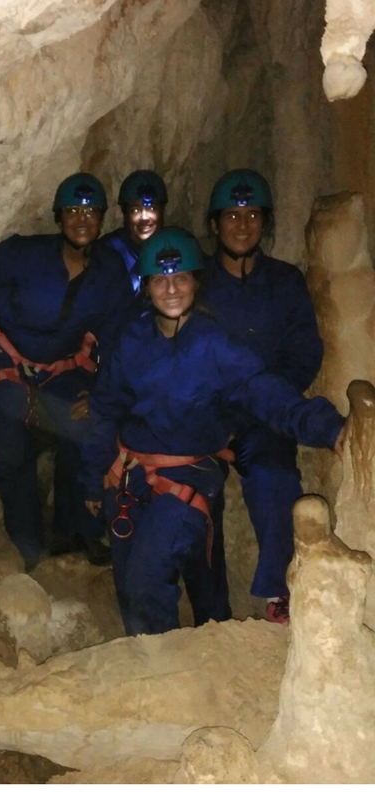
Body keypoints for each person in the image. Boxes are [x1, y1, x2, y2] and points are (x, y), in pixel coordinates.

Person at [80, 227, 344, 636]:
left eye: (181, 277)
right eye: (160, 279)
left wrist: (328, 429)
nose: (171, 289)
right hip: (129, 474)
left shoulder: (215, 345)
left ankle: (164, 667)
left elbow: (266, 391)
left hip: (188, 476)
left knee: (146, 580)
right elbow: (105, 409)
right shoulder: (131, 341)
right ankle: (184, 646)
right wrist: (94, 481)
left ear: (196, 283)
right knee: (143, 583)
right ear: (147, 286)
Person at [0, 172, 135, 570]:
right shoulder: (26, 254)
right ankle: (26, 548)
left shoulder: (108, 273)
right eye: (73, 211)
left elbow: (119, 337)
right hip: (4, 365)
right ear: (58, 218)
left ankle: (78, 532)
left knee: (91, 428)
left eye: (91, 212)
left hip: (61, 371)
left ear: (102, 219)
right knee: (12, 458)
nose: (81, 220)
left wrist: (102, 391)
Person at [202, 169, 323, 624]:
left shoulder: (285, 282)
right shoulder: (195, 285)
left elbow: (305, 349)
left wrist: (274, 397)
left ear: (264, 223)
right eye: (231, 215)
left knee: (274, 476)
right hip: (209, 415)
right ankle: (208, 611)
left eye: (252, 215)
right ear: (215, 225)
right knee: (192, 493)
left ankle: (278, 589)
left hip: (266, 412)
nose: (242, 224)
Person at [98, 169, 168, 296]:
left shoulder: (174, 244)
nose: (144, 218)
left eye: (152, 208)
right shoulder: (108, 251)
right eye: (135, 210)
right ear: (125, 214)